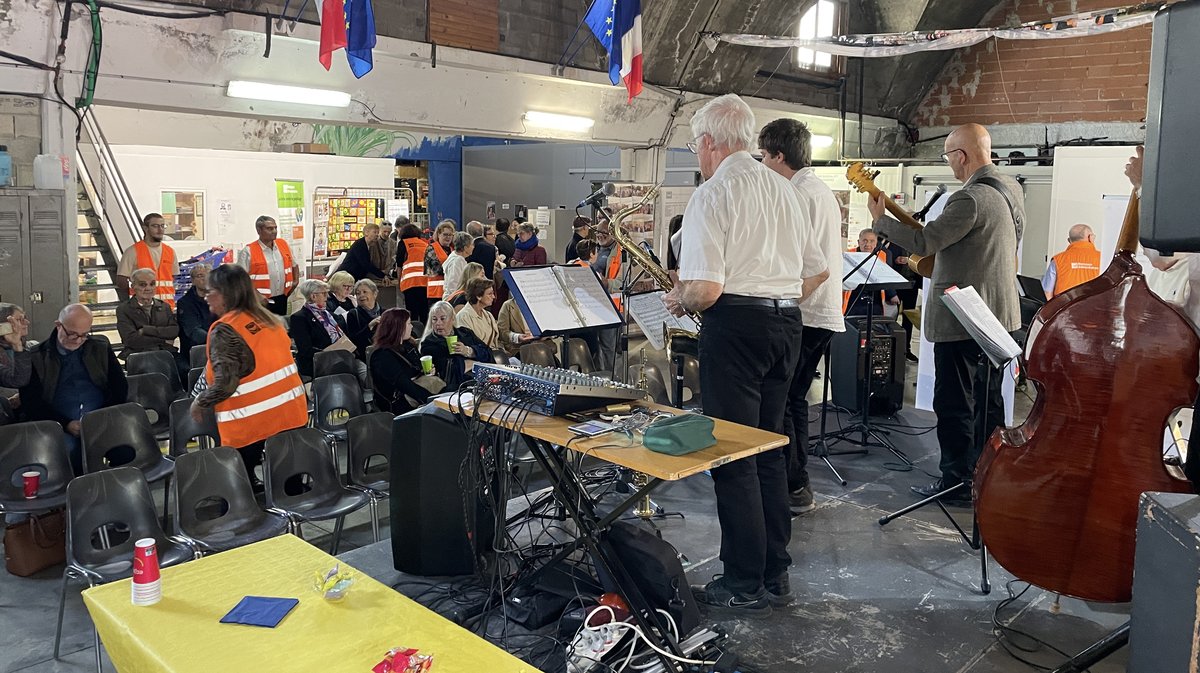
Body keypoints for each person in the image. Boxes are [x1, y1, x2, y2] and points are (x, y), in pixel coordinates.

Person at [664, 94, 829, 617]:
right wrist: (775, 301)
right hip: (787, 325)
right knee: (770, 450)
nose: (697, 154)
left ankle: (741, 581)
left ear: (711, 142)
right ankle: (774, 572)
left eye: (695, 145)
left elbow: (707, 291)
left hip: (735, 328)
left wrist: (679, 295)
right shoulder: (786, 191)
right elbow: (818, 271)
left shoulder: (713, 195)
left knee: (733, 456)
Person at [868, 122, 1023, 504]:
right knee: (989, 402)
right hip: (999, 318)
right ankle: (988, 475)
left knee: (954, 402)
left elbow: (925, 240)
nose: (949, 164)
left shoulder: (968, 199)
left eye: (949, 156)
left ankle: (956, 481)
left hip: (964, 318)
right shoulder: (1010, 189)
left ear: (963, 156)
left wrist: (880, 219)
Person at [758, 117, 848, 516]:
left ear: (779, 156)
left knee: (785, 401)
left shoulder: (796, 193)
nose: (761, 164)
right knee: (793, 399)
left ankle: (794, 486)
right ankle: (796, 484)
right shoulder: (818, 190)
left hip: (806, 311)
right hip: (822, 310)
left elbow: (799, 262)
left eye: (763, 156)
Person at [190, 265, 307, 488]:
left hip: (251, 422)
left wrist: (199, 402)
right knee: (290, 487)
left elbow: (225, 384)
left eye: (210, 291)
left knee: (237, 491)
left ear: (225, 294)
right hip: (289, 414)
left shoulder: (226, 329)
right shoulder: (270, 320)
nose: (206, 297)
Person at [21, 304, 128, 474]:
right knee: (68, 453)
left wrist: (99, 418)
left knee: (123, 449)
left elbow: (119, 387)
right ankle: (78, 494)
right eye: (72, 334)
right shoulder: (37, 357)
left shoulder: (99, 347)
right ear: (58, 325)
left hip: (99, 419)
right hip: (58, 424)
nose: (78, 340)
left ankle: (113, 493)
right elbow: (32, 402)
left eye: (84, 335)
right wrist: (66, 424)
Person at [369, 308, 444, 414]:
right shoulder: (382, 356)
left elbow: (416, 369)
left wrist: (428, 370)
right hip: (400, 405)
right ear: (398, 327)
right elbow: (406, 386)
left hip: (417, 394)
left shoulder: (407, 345)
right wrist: (434, 401)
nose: (412, 326)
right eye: (409, 324)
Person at [289, 279, 355, 380]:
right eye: (324, 294)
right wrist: (330, 353)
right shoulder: (299, 318)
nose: (327, 297)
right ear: (313, 296)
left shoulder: (327, 314)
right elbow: (305, 349)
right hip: (318, 365)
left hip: (339, 359)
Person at [236, 215, 300, 316]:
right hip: (260, 301)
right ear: (259, 230)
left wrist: (295, 281)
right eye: (269, 228)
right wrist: (256, 296)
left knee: (281, 326)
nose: (274, 231)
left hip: (282, 298)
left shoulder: (283, 244)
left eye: (275, 228)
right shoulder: (248, 251)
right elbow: (239, 279)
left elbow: (294, 264)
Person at [420, 300, 492, 390]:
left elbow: (488, 352)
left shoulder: (465, 332)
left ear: (452, 319)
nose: (438, 323)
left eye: (442, 318)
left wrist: (468, 351)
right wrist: (476, 363)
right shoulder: (428, 344)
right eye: (434, 319)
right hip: (457, 388)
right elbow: (447, 370)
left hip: (482, 379)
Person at [116, 267, 180, 361]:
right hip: (139, 356)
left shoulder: (164, 306)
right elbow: (131, 340)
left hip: (166, 353)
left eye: (152, 284)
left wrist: (146, 330)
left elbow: (174, 331)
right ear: (133, 286)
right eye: (143, 284)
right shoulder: (124, 309)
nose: (148, 288)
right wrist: (163, 340)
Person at [116, 212, 179, 307]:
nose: (160, 229)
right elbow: (121, 280)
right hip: (142, 308)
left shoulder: (170, 252)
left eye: (162, 226)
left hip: (167, 308)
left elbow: (173, 278)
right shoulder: (133, 251)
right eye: (155, 226)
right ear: (145, 228)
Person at [843, 229, 899, 317]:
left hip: (875, 301)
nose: (868, 244)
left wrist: (892, 295)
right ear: (858, 242)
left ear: (876, 243)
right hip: (853, 301)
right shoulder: (848, 254)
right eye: (864, 241)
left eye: (871, 241)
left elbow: (886, 276)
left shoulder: (883, 255)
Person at [1042, 224, 1101, 299]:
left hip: (1065, 308)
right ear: (1090, 237)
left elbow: (1047, 293)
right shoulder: (1103, 259)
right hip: (1095, 308)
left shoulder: (1058, 260)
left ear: (1069, 241)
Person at [177, 263, 216, 358]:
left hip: (217, 348)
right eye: (200, 276)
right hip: (196, 353)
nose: (205, 279)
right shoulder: (185, 303)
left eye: (208, 275)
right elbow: (194, 332)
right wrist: (217, 341)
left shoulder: (218, 299)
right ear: (193, 281)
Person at [0, 304, 29, 426]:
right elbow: (17, 380)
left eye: (24, 318)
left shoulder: (30, 347)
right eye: (18, 320)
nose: (26, 322)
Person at [455, 277, 502, 351]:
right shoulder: (463, 317)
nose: (493, 297)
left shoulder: (488, 315)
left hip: (493, 356)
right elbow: (468, 345)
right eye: (490, 294)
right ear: (478, 296)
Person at [396, 221, 430, 324]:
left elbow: (399, 264)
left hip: (410, 283)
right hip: (425, 282)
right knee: (424, 311)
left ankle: (414, 334)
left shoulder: (403, 243)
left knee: (412, 312)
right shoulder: (425, 244)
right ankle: (424, 334)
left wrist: (399, 282)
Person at [345, 279, 383, 360]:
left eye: (365, 292)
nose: (361, 295)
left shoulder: (385, 313)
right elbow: (353, 341)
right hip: (366, 356)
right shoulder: (353, 314)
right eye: (358, 293)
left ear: (375, 294)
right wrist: (369, 326)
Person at [424, 220, 457, 304]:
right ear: (438, 234)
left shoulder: (453, 249)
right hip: (436, 293)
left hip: (450, 292)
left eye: (450, 235)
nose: (448, 237)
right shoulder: (431, 248)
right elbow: (433, 270)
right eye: (445, 234)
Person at [441, 232, 475, 301]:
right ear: (465, 247)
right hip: (454, 299)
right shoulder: (457, 261)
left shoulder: (456, 258)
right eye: (472, 244)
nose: (473, 247)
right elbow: (453, 284)